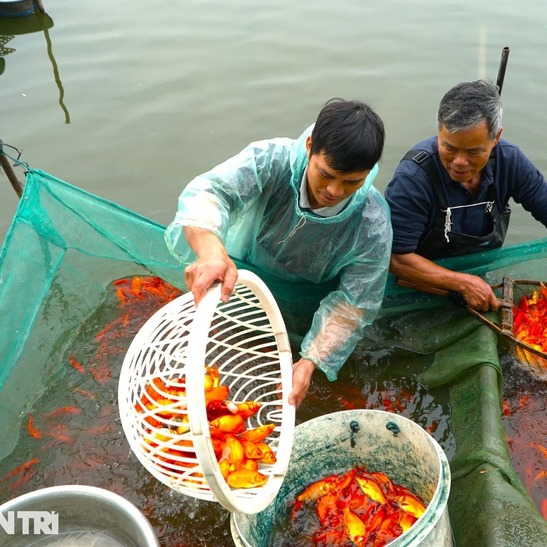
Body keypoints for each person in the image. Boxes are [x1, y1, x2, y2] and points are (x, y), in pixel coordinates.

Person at [165, 99, 392, 408]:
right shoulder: (270, 160)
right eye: (326, 174)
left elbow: (355, 303)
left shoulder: (372, 222)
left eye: (352, 182)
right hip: (240, 276)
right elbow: (209, 193)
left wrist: (310, 360)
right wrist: (211, 252)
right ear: (311, 146)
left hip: (306, 302)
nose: (335, 191)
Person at [385, 80, 547, 314]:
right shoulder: (413, 178)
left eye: (474, 151)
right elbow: (397, 258)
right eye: (449, 148)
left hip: (474, 284)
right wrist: (463, 283)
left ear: (496, 138)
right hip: (412, 289)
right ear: (439, 133)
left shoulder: (509, 161)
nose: (459, 162)